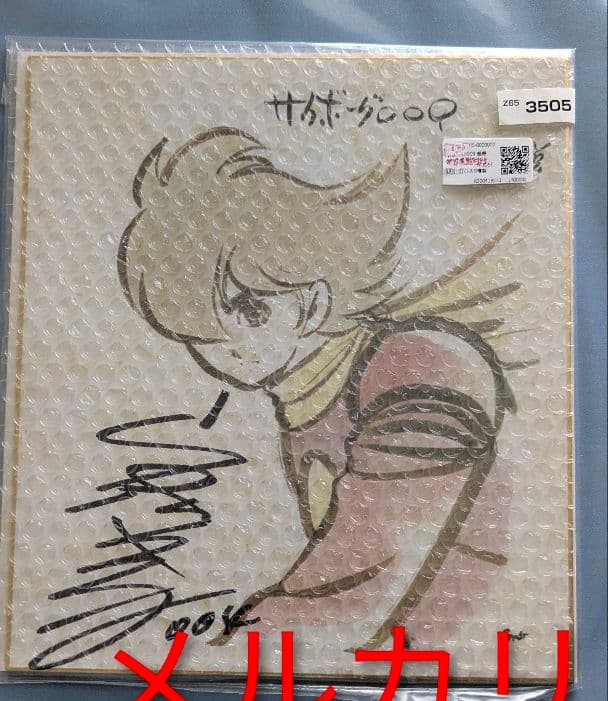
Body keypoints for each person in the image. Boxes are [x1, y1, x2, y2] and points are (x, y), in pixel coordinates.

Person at [119, 127, 522, 650]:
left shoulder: (422, 366)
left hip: (460, 651)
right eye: (198, 330)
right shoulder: (302, 406)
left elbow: (368, 577)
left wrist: (231, 639)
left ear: (313, 300)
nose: (226, 342)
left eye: (250, 309)